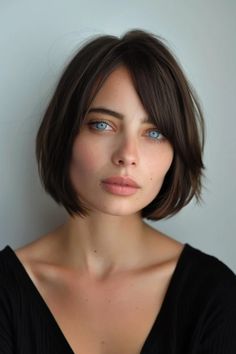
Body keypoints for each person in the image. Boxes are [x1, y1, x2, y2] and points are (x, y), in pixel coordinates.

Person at [0, 29, 235, 354]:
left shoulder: (215, 294)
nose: (127, 154)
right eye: (102, 124)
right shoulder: (5, 292)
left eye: (154, 133)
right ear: (64, 135)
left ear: (176, 152)